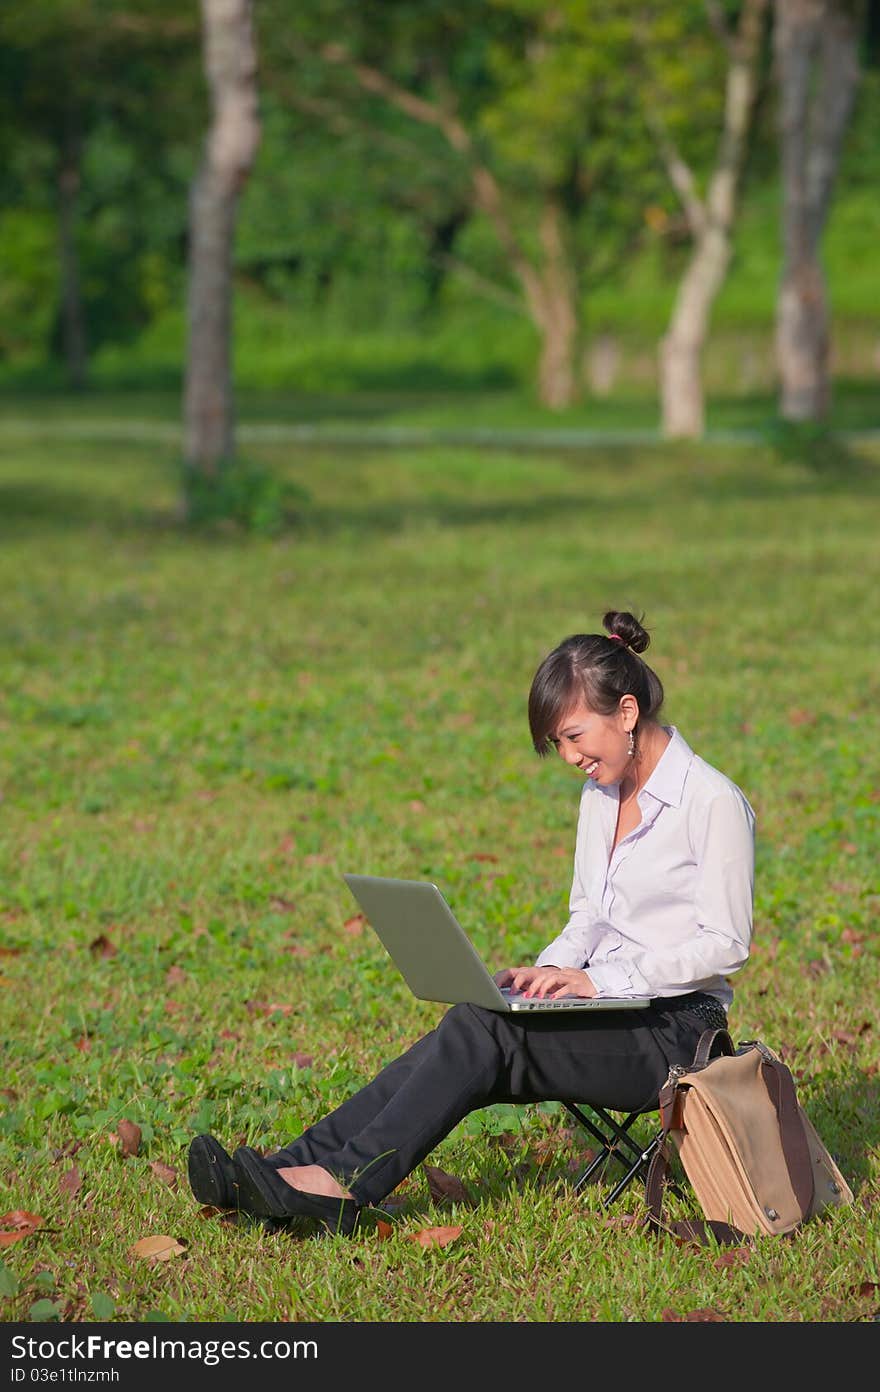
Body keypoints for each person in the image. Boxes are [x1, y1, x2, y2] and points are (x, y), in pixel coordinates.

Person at [187, 610, 756, 1236]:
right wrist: (547, 975)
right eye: (558, 745)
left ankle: (342, 1187)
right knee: (474, 1021)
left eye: (573, 737)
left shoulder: (712, 802)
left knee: (486, 1035)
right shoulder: (602, 794)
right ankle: (290, 1168)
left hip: (678, 1036)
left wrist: (598, 981)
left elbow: (725, 946)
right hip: (614, 1011)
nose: (569, 758)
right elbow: (589, 913)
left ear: (625, 713)